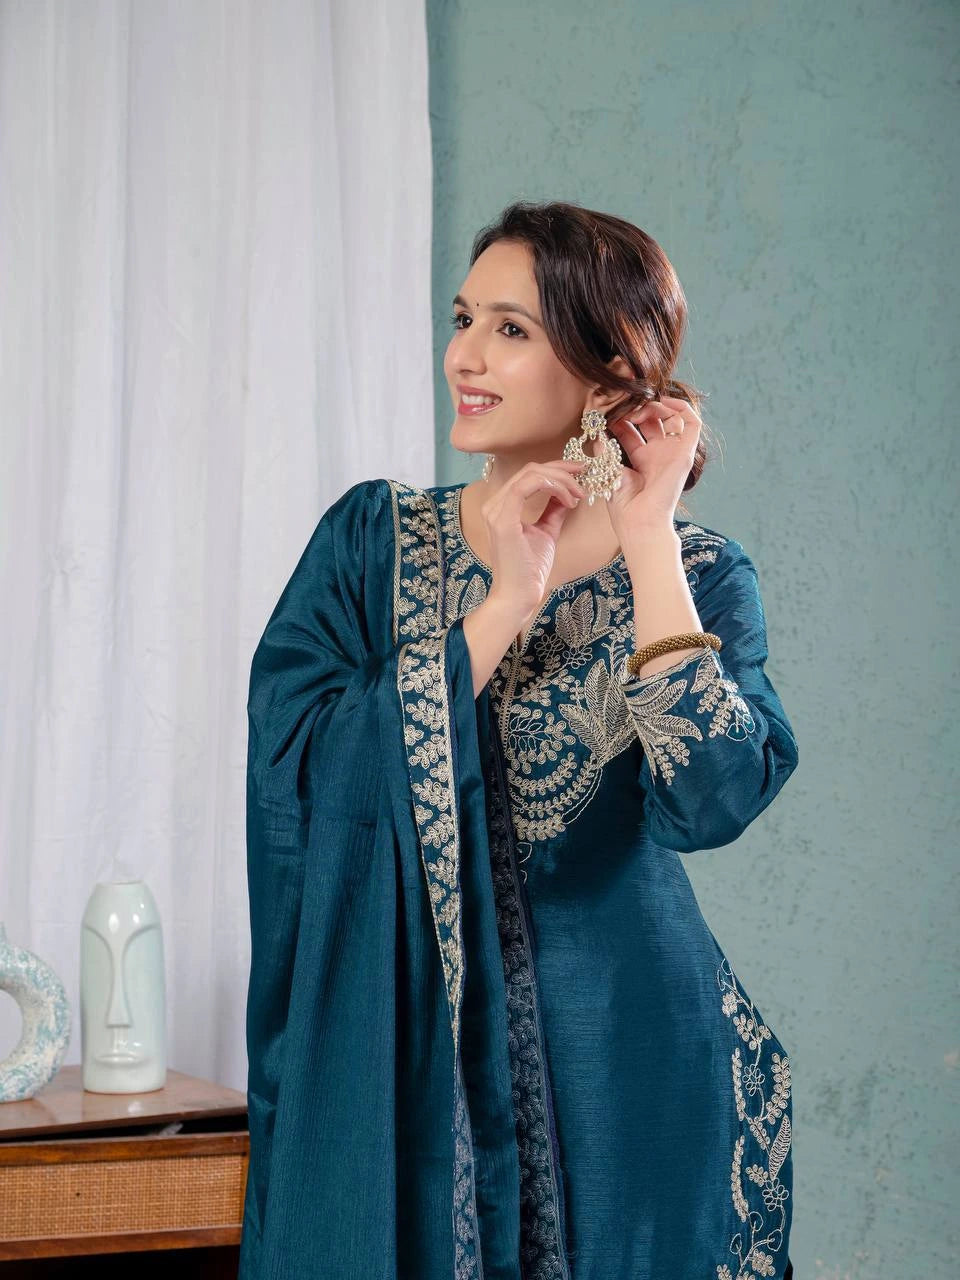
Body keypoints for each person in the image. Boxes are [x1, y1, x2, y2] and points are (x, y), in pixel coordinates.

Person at [238, 200, 799, 1280]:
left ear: (604, 375)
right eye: (464, 317)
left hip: (629, 1076)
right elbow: (298, 777)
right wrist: (504, 604)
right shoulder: (372, 545)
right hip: (405, 1076)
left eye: (511, 328)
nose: (465, 355)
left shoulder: (701, 573)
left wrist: (645, 537)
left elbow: (715, 799)